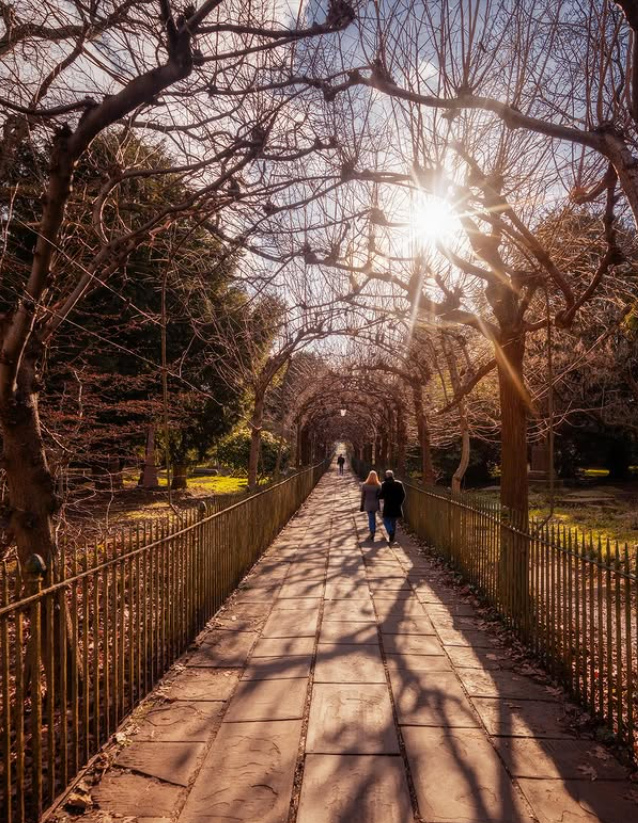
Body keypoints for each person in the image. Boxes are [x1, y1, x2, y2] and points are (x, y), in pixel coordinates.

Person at [378, 469, 405, 544]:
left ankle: (390, 531)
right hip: (396, 506)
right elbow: (403, 495)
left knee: (386, 520)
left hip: (388, 506)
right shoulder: (399, 483)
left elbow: (381, 495)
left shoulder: (384, 484)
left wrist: (378, 496)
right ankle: (392, 536)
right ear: (392, 475)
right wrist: (399, 503)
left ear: (387, 475)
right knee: (393, 521)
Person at [360, 470, 381, 539]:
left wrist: (362, 505)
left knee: (370, 517)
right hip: (375, 503)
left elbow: (363, 496)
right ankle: (373, 530)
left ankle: (372, 531)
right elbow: (379, 496)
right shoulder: (378, 485)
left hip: (367, 503)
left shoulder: (364, 485)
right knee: (373, 517)